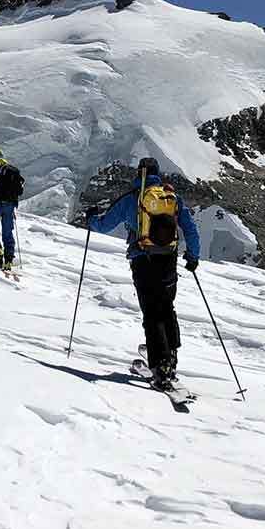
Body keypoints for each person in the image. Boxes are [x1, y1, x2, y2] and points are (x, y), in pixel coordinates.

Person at [82, 157, 201, 389]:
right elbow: (190, 228)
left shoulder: (133, 199)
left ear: (139, 174)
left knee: (151, 312)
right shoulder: (171, 198)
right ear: (158, 174)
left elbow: (103, 225)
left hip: (142, 260)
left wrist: (90, 218)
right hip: (168, 259)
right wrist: (193, 256)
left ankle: (161, 366)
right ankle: (171, 356)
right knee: (166, 307)